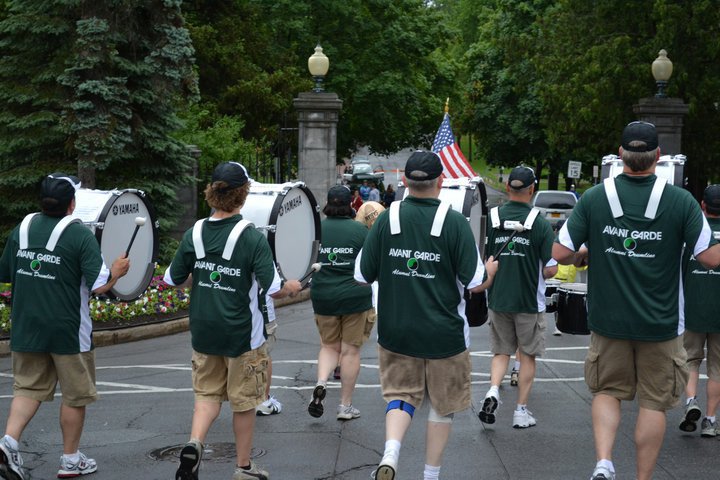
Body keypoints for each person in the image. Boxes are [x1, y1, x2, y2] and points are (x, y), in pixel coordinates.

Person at [552, 121, 720, 480]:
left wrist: (583, 253)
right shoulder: (681, 201)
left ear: (620, 155)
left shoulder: (596, 197)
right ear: (658, 157)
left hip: (608, 321)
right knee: (654, 404)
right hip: (660, 325)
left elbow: (560, 251)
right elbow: (710, 257)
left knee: (606, 391)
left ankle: (603, 462)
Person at [354, 151, 498, 480]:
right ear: (441, 183)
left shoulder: (386, 220)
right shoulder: (455, 223)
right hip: (444, 334)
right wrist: (489, 271)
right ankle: (430, 475)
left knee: (400, 396)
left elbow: (362, 275)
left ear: (404, 181)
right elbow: (475, 283)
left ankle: (391, 450)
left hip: (396, 330)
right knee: (441, 406)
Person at [165, 162, 301, 480]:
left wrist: (200, 275)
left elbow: (174, 279)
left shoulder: (194, 233)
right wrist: (293, 286)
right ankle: (243, 467)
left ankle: (195, 444)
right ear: (243, 196)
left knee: (207, 397)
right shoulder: (252, 238)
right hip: (243, 337)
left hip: (203, 331)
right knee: (243, 403)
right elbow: (275, 289)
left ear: (212, 192)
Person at [0, 172, 130, 480]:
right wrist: (117, 272)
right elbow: (99, 286)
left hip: (26, 327)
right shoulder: (79, 234)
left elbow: (6, 271)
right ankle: (71, 460)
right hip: (69, 331)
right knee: (75, 396)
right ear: (71, 203)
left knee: (28, 388)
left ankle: (8, 443)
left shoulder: (23, 227)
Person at [480, 166, 557, 429]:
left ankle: (492, 390)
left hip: (498, 297)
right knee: (527, 355)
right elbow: (550, 267)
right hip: (528, 301)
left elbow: (486, 258)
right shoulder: (540, 222)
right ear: (532, 189)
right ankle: (520, 411)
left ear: (508, 188)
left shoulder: (491, 218)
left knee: (501, 352)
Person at [307, 186, 375, 421]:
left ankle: (321, 382)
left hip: (323, 296)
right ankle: (345, 406)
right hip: (355, 297)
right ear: (351, 204)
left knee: (328, 346)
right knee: (350, 351)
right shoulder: (360, 231)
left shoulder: (316, 230)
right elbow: (370, 266)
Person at [679, 184, 720, 437]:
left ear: (702, 205)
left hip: (692, 307)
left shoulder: (692, 232)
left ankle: (690, 401)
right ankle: (711, 420)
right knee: (717, 367)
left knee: (690, 360)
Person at [255, 294, 282, 416]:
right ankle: (263, 401)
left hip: (233, 308)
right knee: (264, 352)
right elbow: (274, 287)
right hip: (262, 309)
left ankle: (207, 404)